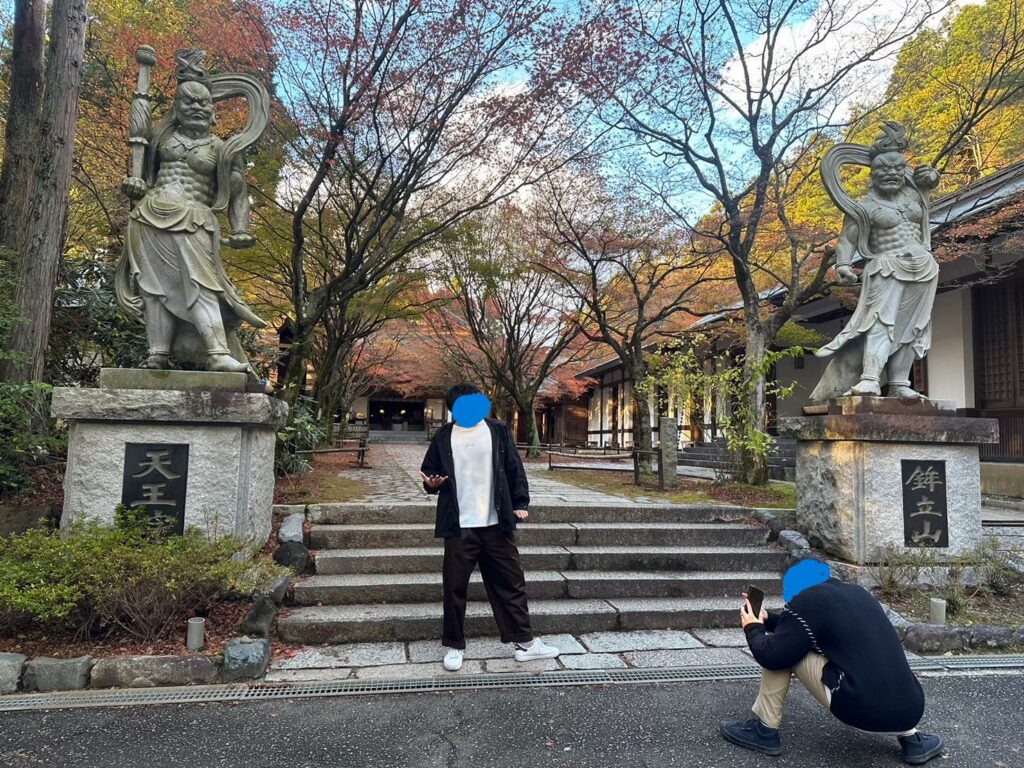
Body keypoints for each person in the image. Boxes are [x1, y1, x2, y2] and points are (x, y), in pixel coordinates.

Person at [720, 559, 944, 765]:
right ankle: (912, 739)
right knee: (876, 659)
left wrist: (753, 628)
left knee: (784, 653)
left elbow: (773, 655)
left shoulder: (804, 600)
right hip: (912, 709)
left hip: (862, 711)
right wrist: (768, 620)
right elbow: (810, 628)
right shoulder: (857, 594)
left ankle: (764, 730)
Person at [419, 383, 559, 672]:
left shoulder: (497, 430)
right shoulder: (444, 436)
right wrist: (430, 484)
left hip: (496, 524)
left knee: (511, 583)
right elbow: (430, 472)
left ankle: (525, 643)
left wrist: (520, 502)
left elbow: (513, 468)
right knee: (454, 587)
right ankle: (454, 645)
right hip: (460, 526)